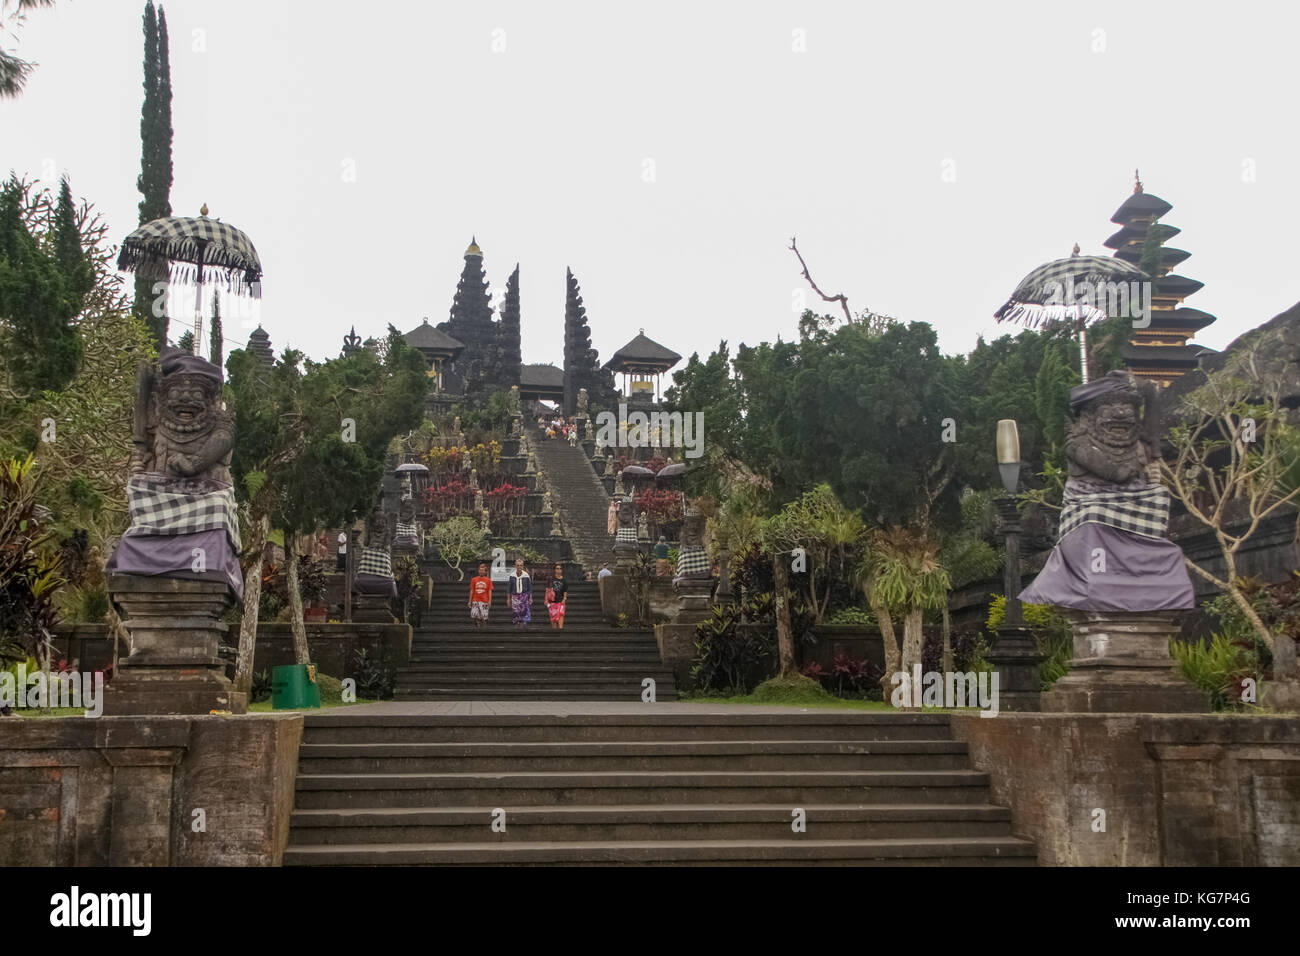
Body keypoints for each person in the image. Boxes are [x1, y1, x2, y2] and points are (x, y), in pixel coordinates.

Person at [507, 558, 532, 629]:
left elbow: (529, 588)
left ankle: (522, 628)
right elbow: (509, 588)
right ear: (515, 566)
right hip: (515, 596)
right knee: (516, 613)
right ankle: (517, 627)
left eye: (521, 565)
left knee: (523, 614)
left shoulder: (526, 575)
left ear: (523, 566)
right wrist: (508, 599)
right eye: (518, 565)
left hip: (524, 596)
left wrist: (530, 598)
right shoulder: (512, 576)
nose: (519, 567)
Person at [468, 562, 493, 628]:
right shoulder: (474, 579)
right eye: (480, 570)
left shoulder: (488, 580)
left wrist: (489, 601)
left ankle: (482, 627)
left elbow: (490, 591)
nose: (481, 571)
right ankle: (476, 625)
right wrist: (470, 601)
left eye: (483, 570)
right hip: (475, 599)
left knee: (484, 616)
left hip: (484, 600)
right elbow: (472, 590)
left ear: (485, 571)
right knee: (474, 614)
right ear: (478, 571)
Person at [546, 563, 567, 629]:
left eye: (560, 569)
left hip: (561, 601)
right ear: (555, 570)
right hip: (552, 601)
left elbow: (565, 591)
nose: (559, 570)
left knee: (561, 615)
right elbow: (547, 590)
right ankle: (555, 634)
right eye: (557, 568)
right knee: (554, 619)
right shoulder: (551, 579)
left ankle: (561, 631)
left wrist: (564, 599)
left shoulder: (564, 580)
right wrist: (546, 599)